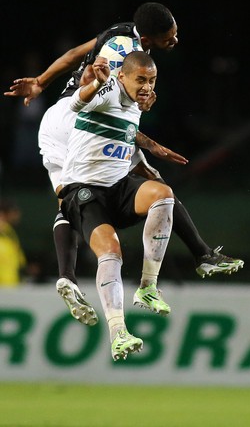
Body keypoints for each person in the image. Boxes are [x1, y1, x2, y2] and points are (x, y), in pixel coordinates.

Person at [4, 2, 243, 326]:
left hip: (56, 118)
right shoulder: (127, 60)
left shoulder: (118, 31)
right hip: (78, 121)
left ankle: (67, 278)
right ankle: (199, 256)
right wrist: (147, 149)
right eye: (170, 35)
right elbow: (113, 114)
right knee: (151, 188)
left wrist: (41, 81)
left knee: (70, 199)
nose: (175, 39)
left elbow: (76, 53)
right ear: (149, 37)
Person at [60, 51, 175, 360]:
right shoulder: (108, 89)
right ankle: (118, 332)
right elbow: (77, 103)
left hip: (116, 188)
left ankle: (148, 286)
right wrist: (95, 84)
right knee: (111, 252)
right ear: (121, 76)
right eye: (141, 80)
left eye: (151, 81)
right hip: (82, 190)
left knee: (163, 195)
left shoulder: (135, 104)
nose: (147, 87)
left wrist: (149, 147)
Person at [0, 199, 27, 286]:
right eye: (14, 211)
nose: (18, 215)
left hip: (11, 286)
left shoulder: (10, 233)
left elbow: (20, 262)